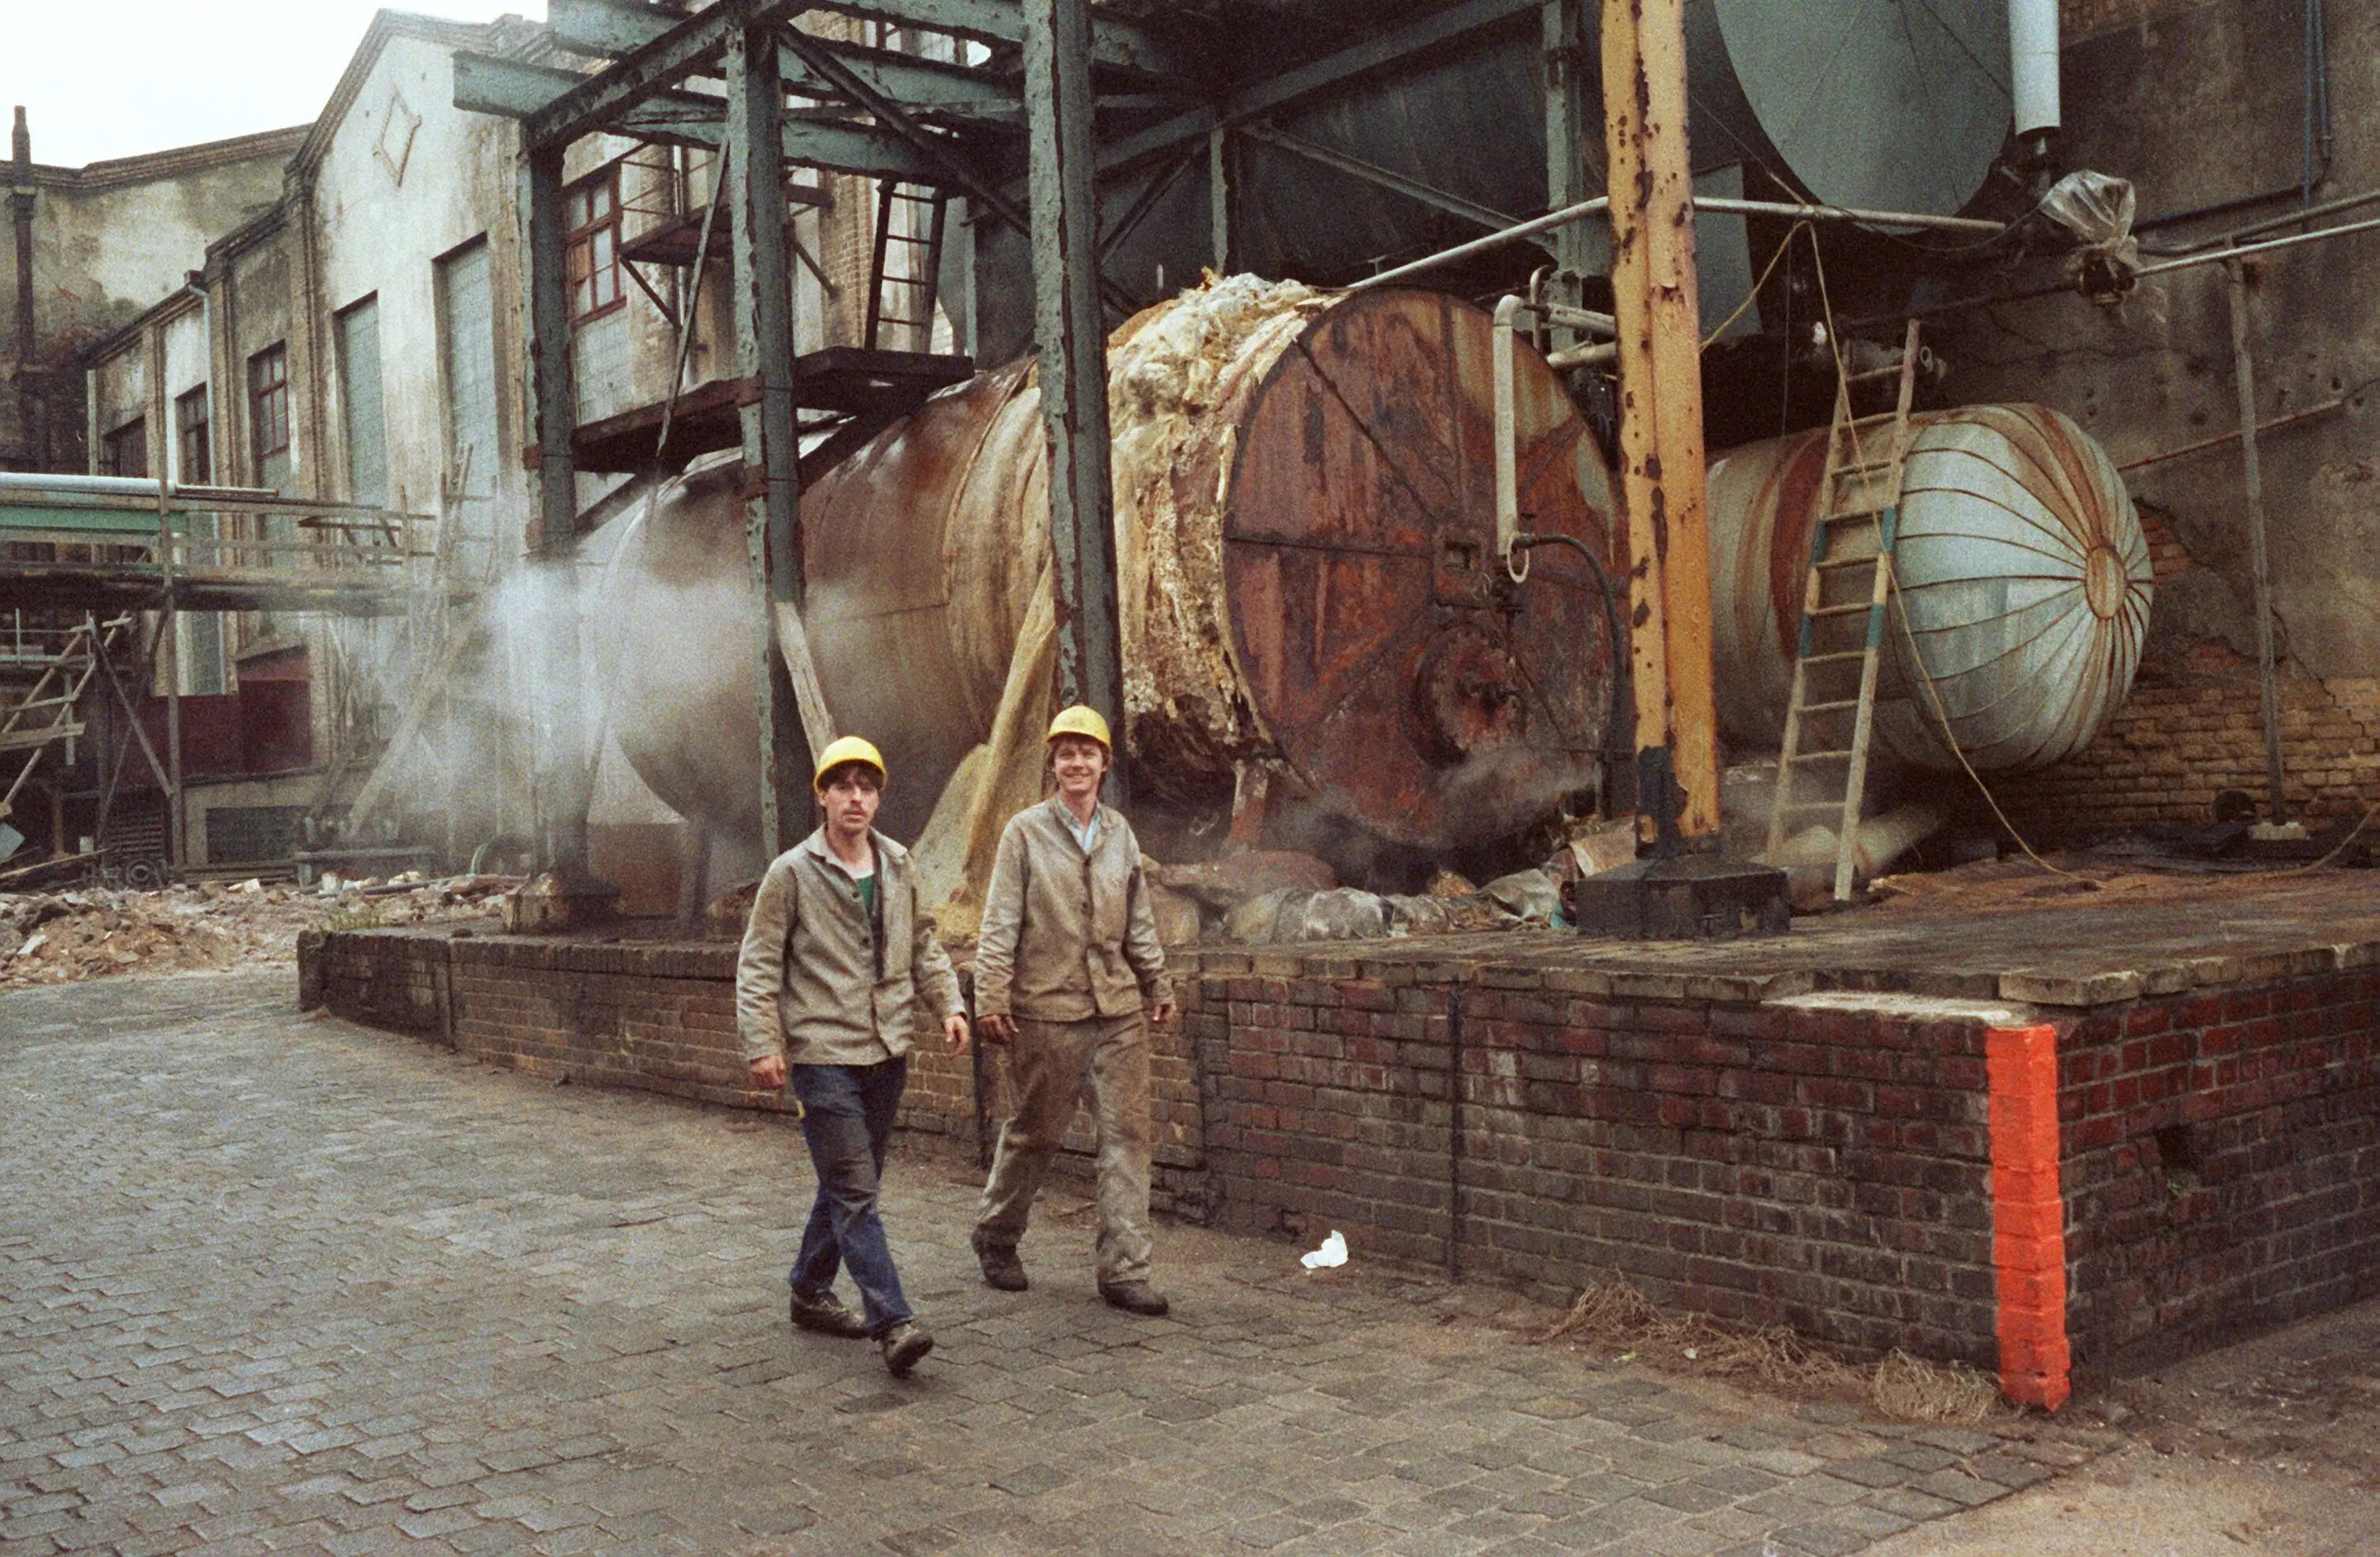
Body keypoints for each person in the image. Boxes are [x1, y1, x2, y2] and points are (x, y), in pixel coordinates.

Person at [736, 735, 969, 1377]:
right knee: (856, 1191)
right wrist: (763, 1043)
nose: (856, 797)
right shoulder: (791, 873)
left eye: (867, 787)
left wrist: (948, 1005)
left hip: (887, 1046)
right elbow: (758, 963)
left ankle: (809, 1290)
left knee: (848, 1184)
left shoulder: (899, 864)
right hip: (822, 1050)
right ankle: (893, 1322)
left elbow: (924, 943)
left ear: (878, 797)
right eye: (843, 786)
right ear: (823, 795)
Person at [971, 705, 1176, 1317]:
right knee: (1035, 1134)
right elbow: (1000, 921)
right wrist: (991, 996)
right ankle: (997, 1237)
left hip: (1116, 1011)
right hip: (1049, 1012)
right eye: (1065, 753)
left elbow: (1138, 919)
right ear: (1053, 765)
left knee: (1128, 1138)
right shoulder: (1025, 833)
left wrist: (1156, 984)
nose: (1076, 762)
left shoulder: (1120, 834)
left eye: (1087, 752)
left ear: (1104, 765)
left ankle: (1124, 1270)